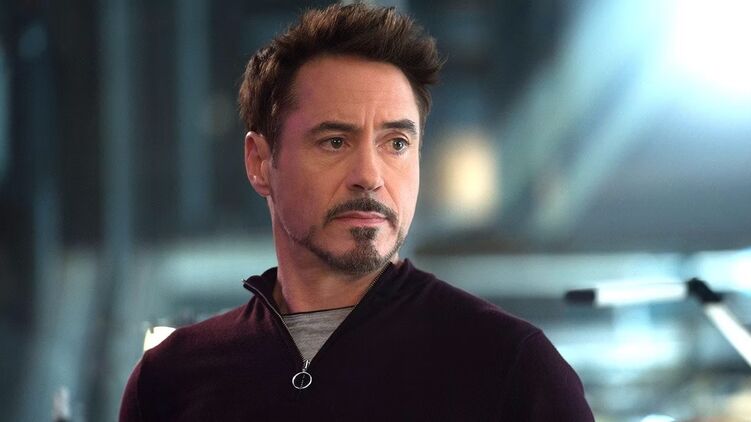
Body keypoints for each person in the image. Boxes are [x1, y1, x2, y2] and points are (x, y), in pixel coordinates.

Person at [120, 4, 594, 421]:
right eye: (334, 141)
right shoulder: (172, 380)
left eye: (397, 143)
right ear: (260, 162)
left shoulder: (511, 369)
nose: (369, 175)